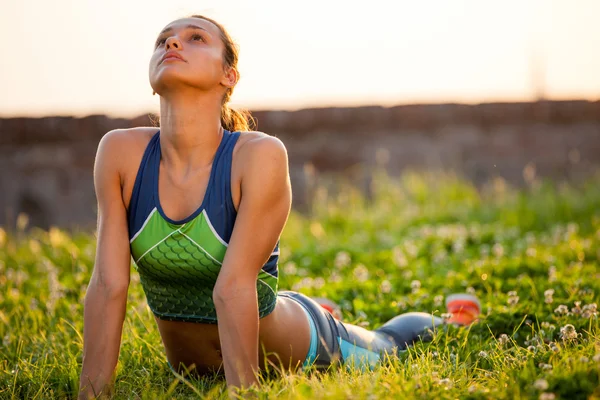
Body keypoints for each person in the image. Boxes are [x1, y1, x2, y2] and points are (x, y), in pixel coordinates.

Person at [78, 14, 481, 398]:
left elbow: (233, 288)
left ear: (228, 76)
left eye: (196, 37)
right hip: (191, 371)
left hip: (295, 348)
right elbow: (108, 286)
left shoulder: (259, 156)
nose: (172, 41)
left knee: (387, 345)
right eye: (163, 39)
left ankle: (451, 320)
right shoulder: (119, 153)